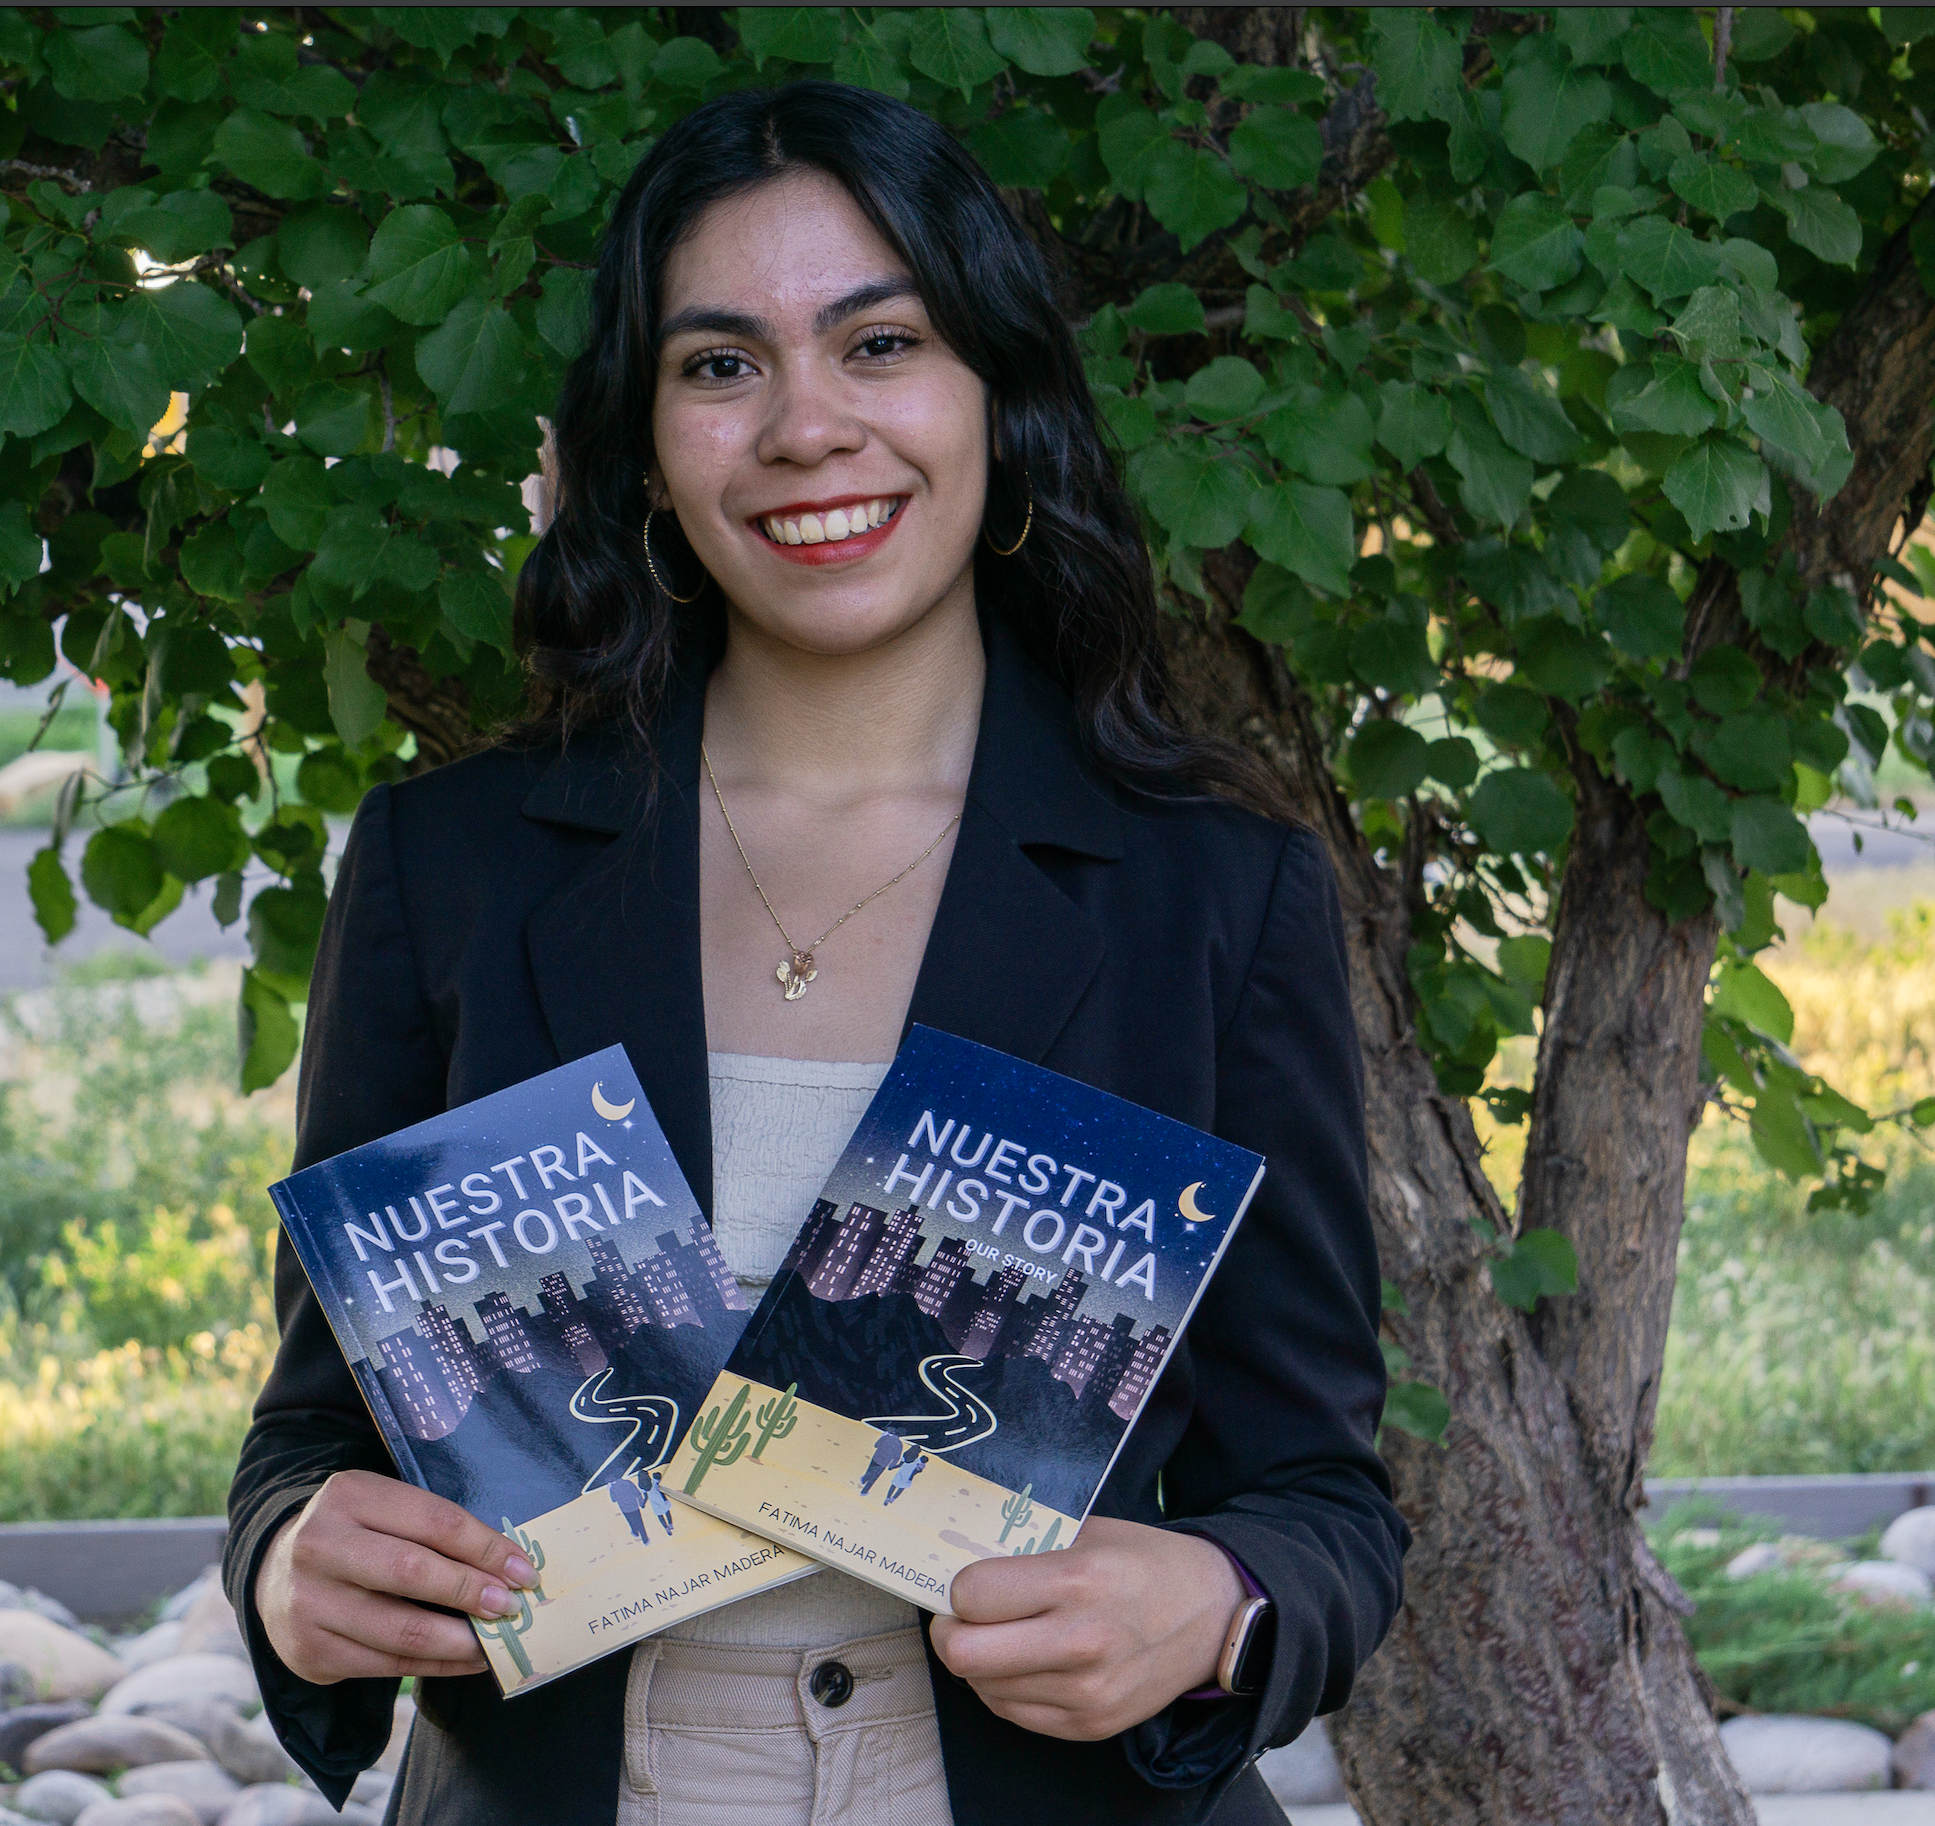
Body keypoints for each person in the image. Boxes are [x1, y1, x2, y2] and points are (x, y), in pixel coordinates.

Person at [225, 81, 1404, 1826]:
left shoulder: (1209, 897)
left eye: (881, 343)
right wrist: (292, 1569)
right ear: (642, 442)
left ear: (995, 394)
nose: (803, 428)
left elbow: (1321, 1499)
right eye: (720, 365)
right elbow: (308, 1451)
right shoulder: (451, 872)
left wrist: (1217, 1607)